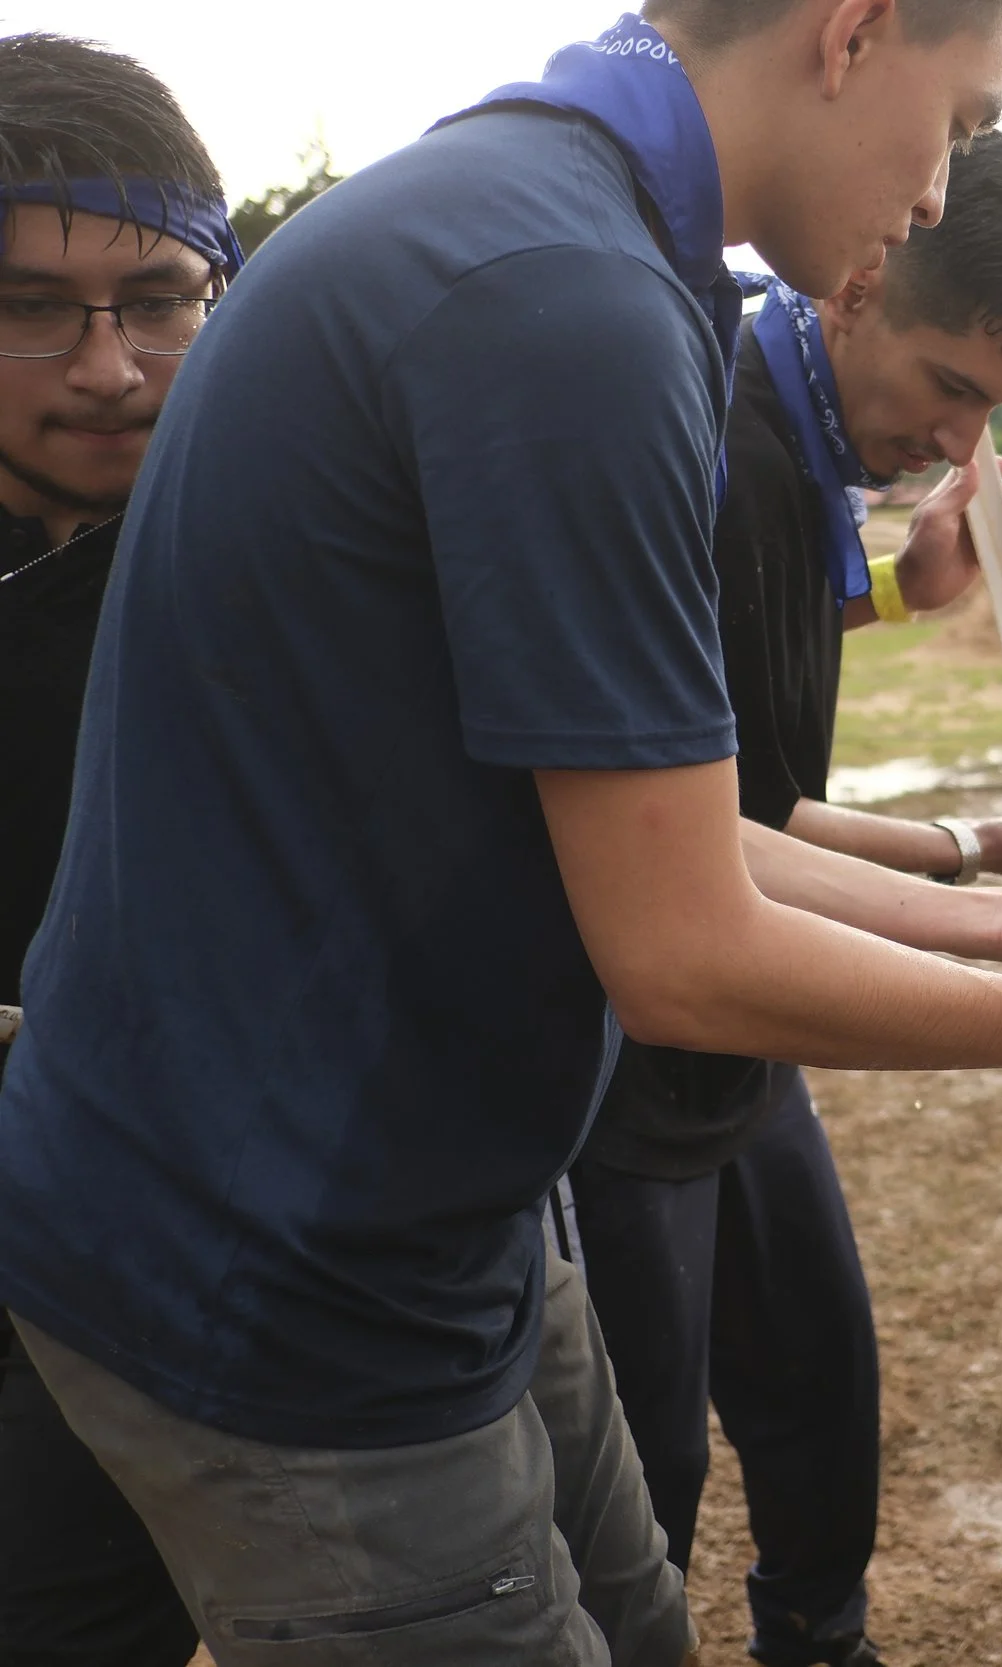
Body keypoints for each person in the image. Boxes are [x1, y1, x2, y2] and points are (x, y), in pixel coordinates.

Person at [0, 2, 1002, 1664]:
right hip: (293, 1266)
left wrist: (992, 914)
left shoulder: (561, 230)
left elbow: (652, 820)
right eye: (963, 121)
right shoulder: (571, 303)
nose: (936, 190)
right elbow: (682, 955)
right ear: (853, 31)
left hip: (440, 1201)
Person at [569, 127, 1002, 1667]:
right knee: (645, 1461)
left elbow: (751, 683)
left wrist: (906, 588)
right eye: (949, 385)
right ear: (858, 288)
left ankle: (819, 1634)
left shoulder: (803, 436)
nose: (959, 437)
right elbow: (732, 821)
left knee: (816, 1378)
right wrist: (977, 868)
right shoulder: (723, 437)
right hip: (627, 1054)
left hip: (743, 1039)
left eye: (993, 409)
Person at [0, 33, 232, 1667]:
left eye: (155, 301)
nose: (105, 369)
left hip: (223, 1296)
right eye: (28, 309)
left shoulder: (288, 554)